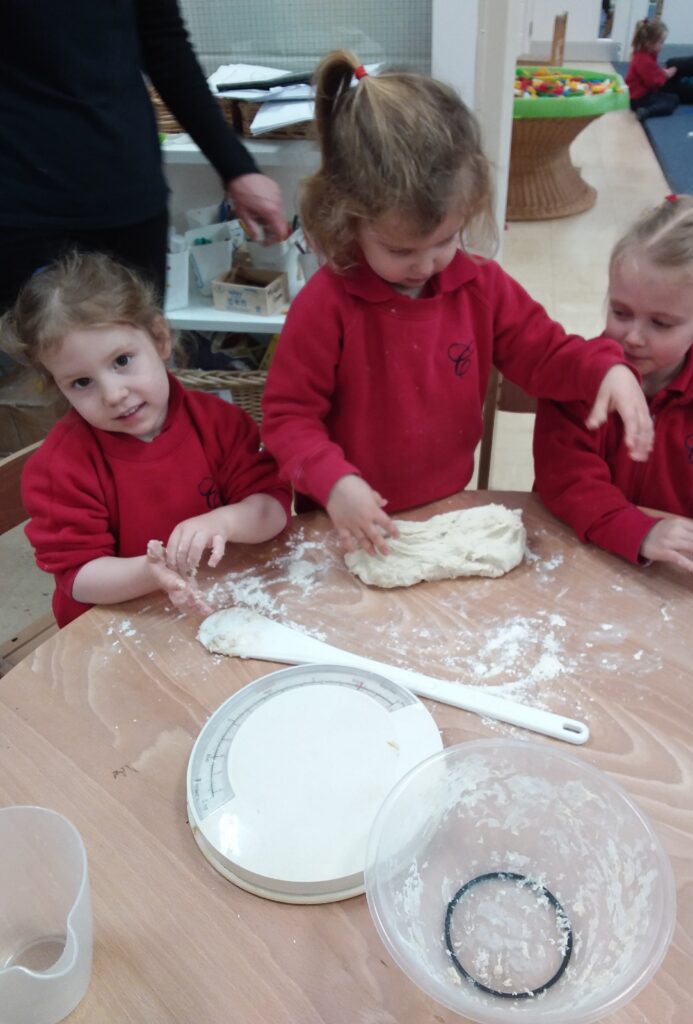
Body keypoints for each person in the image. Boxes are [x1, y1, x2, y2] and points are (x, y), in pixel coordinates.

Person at [260, 51, 654, 557]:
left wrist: (607, 370)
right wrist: (334, 483)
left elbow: (547, 357)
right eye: (401, 250)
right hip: (345, 525)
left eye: (445, 240)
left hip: (448, 507)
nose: (426, 264)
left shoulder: (480, 287)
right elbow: (287, 419)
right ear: (347, 219)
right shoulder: (326, 307)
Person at [0, 252, 290, 626]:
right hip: (120, 626)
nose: (113, 394)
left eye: (121, 360)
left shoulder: (218, 423)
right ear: (58, 385)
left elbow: (274, 509)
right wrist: (149, 572)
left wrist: (227, 521)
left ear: (160, 338)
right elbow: (78, 577)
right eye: (82, 382)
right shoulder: (58, 469)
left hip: (218, 598)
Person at [0, 0, 289, 315]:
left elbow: (164, 46)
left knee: (139, 350)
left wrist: (237, 169)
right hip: (19, 205)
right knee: (28, 358)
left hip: (128, 197)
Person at [533, 195, 693, 574]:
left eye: (661, 323)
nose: (634, 337)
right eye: (621, 312)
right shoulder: (577, 381)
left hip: (668, 580)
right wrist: (638, 531)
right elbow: (565, 481)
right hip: (570, 555)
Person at [626, 18, 679, 121]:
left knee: (673, 98)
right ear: (649, 43)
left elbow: (652, 71)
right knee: (670, 103)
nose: (662, 46)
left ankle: (646, 109)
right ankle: (646, 111)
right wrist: (665, 75)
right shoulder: (644, 59)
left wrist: (661, 73)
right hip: (638, 98)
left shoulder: (646, 54)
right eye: (661, 42)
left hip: (640, 94)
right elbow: (653, 83)